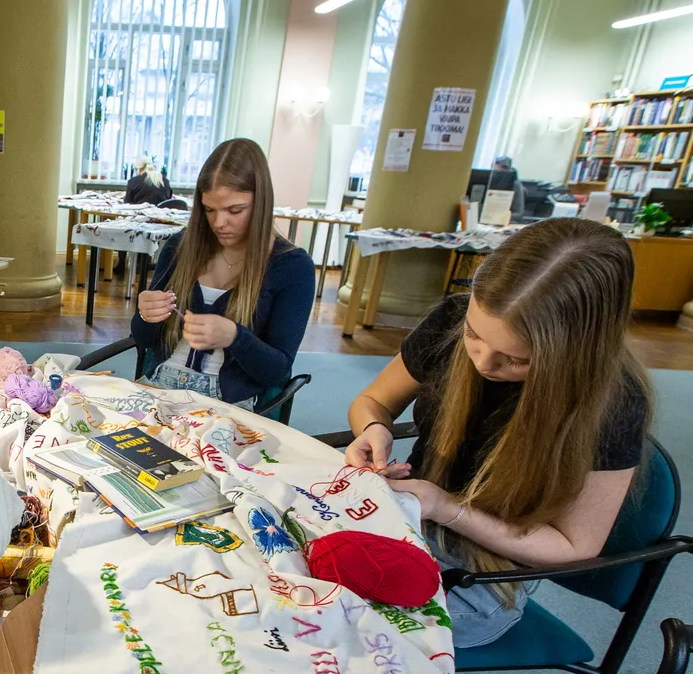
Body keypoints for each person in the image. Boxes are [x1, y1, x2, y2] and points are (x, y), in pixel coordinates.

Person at [342, 218, 650, 647]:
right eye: (473, 335)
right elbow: (373, 400)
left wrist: (445, 507)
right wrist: (374, 428)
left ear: (575, 352)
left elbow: (575, 547)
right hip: (410, 518)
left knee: (335, 618)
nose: (484, 363)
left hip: (487, 572)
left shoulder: (614, 403)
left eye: (517, 359)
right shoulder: (452, 317)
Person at [131, 138, 315, 407]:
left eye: (235, 210)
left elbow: (277, 372)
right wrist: (146, 315)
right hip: (159, 385)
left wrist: (235, 337)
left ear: (261, 203)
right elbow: (143, 339)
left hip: (227, 405)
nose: (219, 223)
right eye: (209, 210)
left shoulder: (293, 267)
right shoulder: (179, 247)